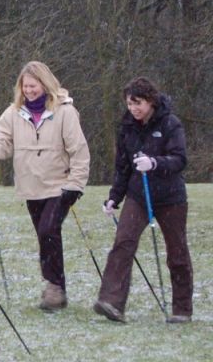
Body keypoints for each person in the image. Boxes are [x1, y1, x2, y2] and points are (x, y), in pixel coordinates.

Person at [0, 61, 90, 312]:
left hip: (60, 186)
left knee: (49, 229)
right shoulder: (14, 112)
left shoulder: (64, 112)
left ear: (45, 84)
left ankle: (54, 288)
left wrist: (75, 184)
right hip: (31, 186)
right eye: (25, 86)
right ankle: (56, 284)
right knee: (44, 235)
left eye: (33, 86)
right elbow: (1, 141)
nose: (29, 91)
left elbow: (79, 151)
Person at [94, 77, 193, 324]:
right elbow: (123, 167)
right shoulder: (126, 127)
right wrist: (114, 198)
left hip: (171, 197)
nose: (133, 109)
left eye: (137, 103)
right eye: (129, 104)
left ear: (150, 101)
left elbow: (180, 160)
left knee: (177, 252)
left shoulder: (171, 124)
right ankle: (111, 302)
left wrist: (156, 163)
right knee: (123, 243)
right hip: (138, 194)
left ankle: (182, 309)